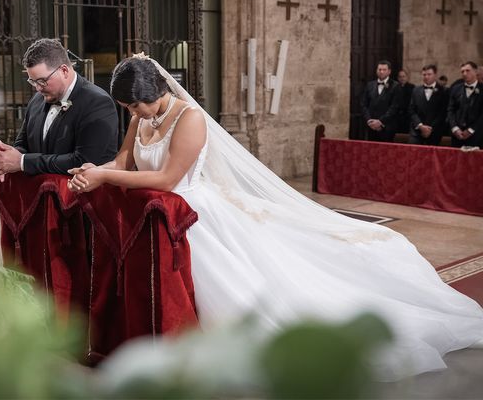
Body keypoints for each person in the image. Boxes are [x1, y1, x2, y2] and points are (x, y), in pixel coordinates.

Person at [67, 54, 483, 380]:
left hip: (195, 213)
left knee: (229, 291)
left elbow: (169, 177)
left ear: (156, 88)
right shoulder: (141, 117)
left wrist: (105, 175)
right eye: (129, 107)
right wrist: (97, 170)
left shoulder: (189, 118)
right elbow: (123, 159)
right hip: (158, 213)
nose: (135, 113)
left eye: (137, 104)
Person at [0, 38, 118, 177]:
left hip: (83, 196)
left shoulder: (98, 103)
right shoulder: (36, 100)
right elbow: (24, 144)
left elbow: (83, 162)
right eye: (32, 81)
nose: (38, 88)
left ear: (64, 70)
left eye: (42, 81)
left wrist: (22, 162)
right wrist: (5, 159)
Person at [360, 60, 403, 142]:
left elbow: (394, 107)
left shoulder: (396, 86)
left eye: (384, 70)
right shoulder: (370, 85)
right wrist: (369, 120)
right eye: (379, 69)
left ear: (389, 71)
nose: (381, 72)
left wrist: (380, 121)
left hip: (387, 127)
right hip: (371, 126)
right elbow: (363, 104)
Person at [408, 64, 448, 146]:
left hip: (434, 131)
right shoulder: (416, 90)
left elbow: (443, 113)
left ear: (435, 75)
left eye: (429, 74)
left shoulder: (443, 91)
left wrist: (430, 129)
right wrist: (420, 126)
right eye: (424, 74)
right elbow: (411, 110)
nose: (426, 77)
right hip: (417, 131)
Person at [447, 61, 483, 148]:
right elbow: (450, 110)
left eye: (468, 70)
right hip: (457, 135)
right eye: (462, 71)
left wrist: (471, 130)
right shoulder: (456, 88)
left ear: (475, 71)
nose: (464, 73)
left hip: (477, 135)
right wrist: (455, 128)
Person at [395, 68, 415, 134]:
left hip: (407, 116)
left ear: (407, 77)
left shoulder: (412, 87)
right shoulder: (395, 87)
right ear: (398, 78)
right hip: (397, 116)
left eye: (403, 76)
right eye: (400, 77)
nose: (402, 78)